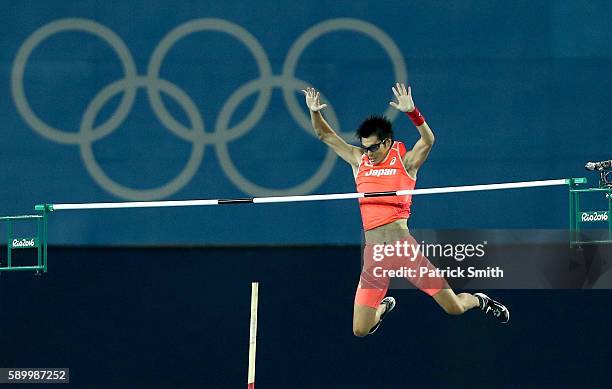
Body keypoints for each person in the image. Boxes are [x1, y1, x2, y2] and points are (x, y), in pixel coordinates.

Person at [302, 83, 510, 337]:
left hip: (404, 250)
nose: (368, 153)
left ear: (387, 142)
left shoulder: (407, 162)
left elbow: (429, 140)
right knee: (360, 329)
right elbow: (326, 136)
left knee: (453, 307)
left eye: (373, 147)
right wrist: (314, 112)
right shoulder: (359, 161)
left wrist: (413, 113)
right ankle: (383, 307)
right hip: (375, 257)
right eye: (364, 147)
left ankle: (479, 300)